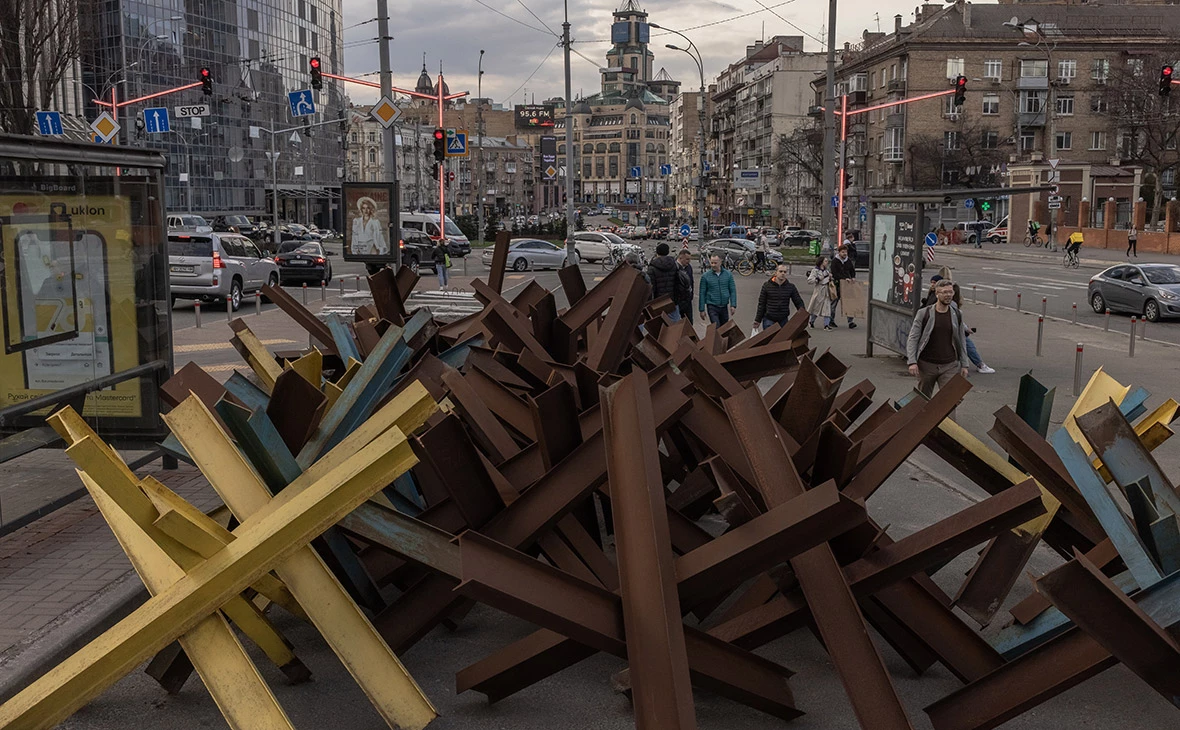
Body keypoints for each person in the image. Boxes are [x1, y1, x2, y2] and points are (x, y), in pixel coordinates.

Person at [906, 278, 970, 398]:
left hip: (949, 365)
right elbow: (913, 338)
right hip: (926, 365)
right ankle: (924, 417)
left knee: (949, 400)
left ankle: (949, 418)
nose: (948, 295)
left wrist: (964, 364)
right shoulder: (924, 313)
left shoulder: (957, 314)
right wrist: (912, 362)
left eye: (950, 292)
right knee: (922, 400)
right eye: (944, 292)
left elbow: (961, 340)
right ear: (937, 294)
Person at [921, 275, 995, 374]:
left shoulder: (934, 295)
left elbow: (956, 317)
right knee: (966, 343)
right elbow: (955, 317)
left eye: (950, 292)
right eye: (932, 282)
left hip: (942, 328)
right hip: (945, 328)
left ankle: (975, 364)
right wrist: (965, 329)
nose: (932, 284)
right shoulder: (948, 302)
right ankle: (979, 364)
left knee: (963, 342)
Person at [754, 264, 805, 332]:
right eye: (780, 271)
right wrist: (758, 320)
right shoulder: (767, 286)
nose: (783, 274)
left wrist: (803, 315)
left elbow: (798, 302)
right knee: (770, 341)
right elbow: (761, 304)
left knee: (782, 341)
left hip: (783, 319)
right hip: (769, 319)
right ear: (776, 273)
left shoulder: (790, 287)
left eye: (785, 272)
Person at [646, 243, 684, 320]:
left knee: (659, 326)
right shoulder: (675, 265)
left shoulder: (652, 267)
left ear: (657, 252)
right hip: (672, 300)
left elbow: (651, 287)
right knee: (675, 325)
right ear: (668, 252)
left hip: (658, 302)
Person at [699, 253, 737, 325]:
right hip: (712, 306)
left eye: (715, 263)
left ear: (720, 262)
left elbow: (732, 290)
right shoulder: (705, 276)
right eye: (712, 263)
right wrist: (702, 309)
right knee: (716, 326)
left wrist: (733, 305)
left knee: (724, 328)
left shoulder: (728, 275)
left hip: (724, 306)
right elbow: (702, 293)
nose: (713, 265)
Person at [829, 244, 857, 329]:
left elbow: (852, 270)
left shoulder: (848, 261)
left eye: (846, 252)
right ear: (839, 252)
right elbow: (835, 273)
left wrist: (852, 277)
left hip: (847, 285)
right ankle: (831, 320)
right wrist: (844, 278)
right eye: (843, 252)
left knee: (849, 303)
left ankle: (850, 322)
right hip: (837, 285)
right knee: (834, 303)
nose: (845, 254)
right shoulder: (835, 261)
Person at [806, 256, 834, 330]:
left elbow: (829, 279)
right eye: (825, 261)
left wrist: (830, 278)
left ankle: (826, 325)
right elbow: (810, 280)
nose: (827, 262)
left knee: (827, 309)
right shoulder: (815, 271)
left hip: (826, 291)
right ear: (821, 262)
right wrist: (817, 279)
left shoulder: (826, 271)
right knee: (816, 308)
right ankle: (811, 322)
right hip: (819, 291)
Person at [675, 248, 695, 324]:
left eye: (689, 259)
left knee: (689, 322)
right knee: (677, 323)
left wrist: (691, 295)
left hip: (687, 300)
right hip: (678, 300)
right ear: (680, 258)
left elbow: (691, 281)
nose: (689, 261)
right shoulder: (674, 267)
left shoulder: (688, 267)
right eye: (687, 259)